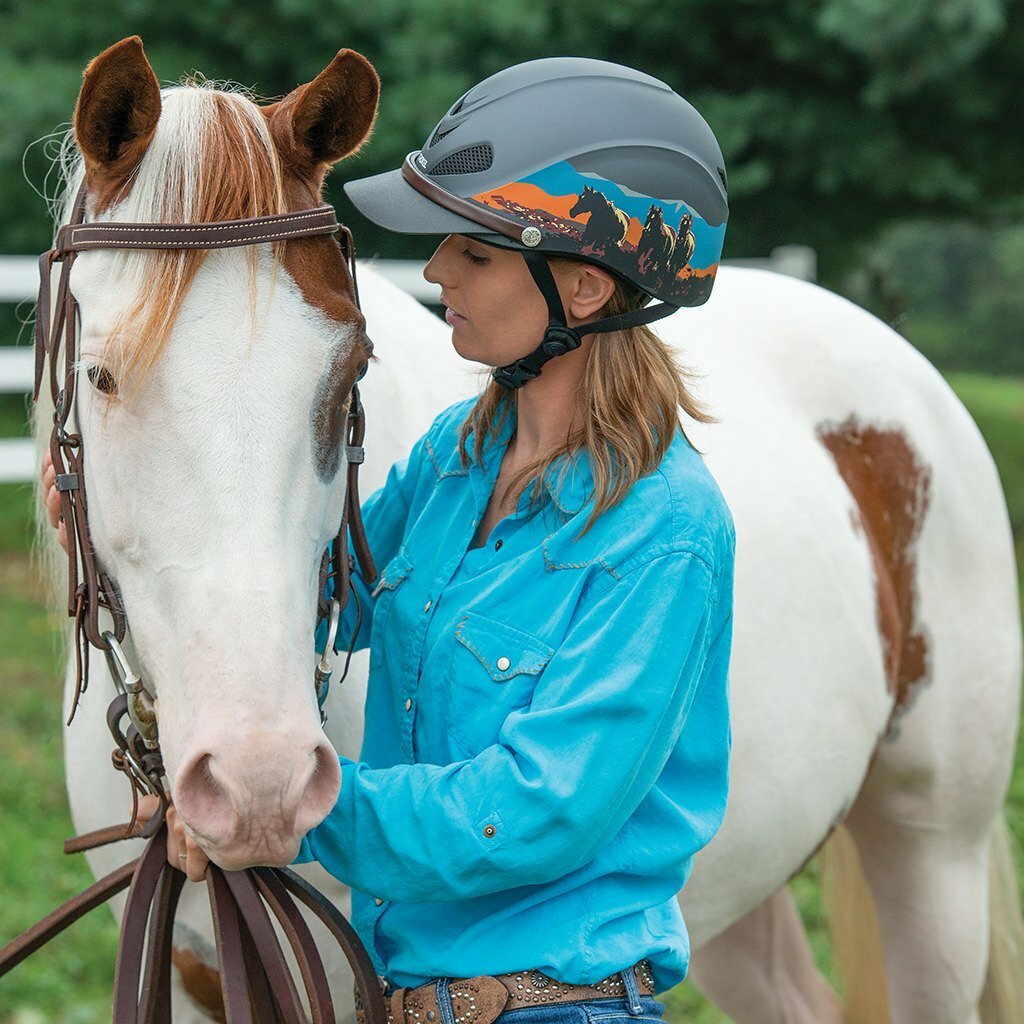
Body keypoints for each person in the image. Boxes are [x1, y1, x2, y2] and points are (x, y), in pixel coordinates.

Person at [45, 57, 735, 1024]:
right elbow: (340, 594)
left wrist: (305, 815)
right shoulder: (462, 455)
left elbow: (542, 812)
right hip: (411, 996)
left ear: (581, 289)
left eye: (477, 251)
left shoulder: (667, 532)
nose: (439, 270)